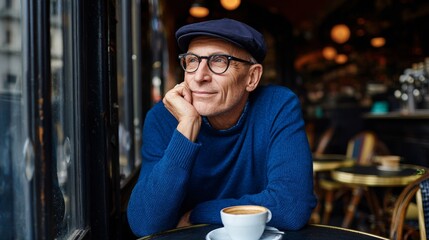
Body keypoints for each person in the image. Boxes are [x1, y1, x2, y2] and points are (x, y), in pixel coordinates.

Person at [127, 18, 316, 237]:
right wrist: (187, 126)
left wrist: (197, 213)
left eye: (218, 61)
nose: (199, 76)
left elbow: (291, 206)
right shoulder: (163, 117)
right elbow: (145, 223)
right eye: (192, 61)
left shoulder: (277, 106)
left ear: (252, 77)